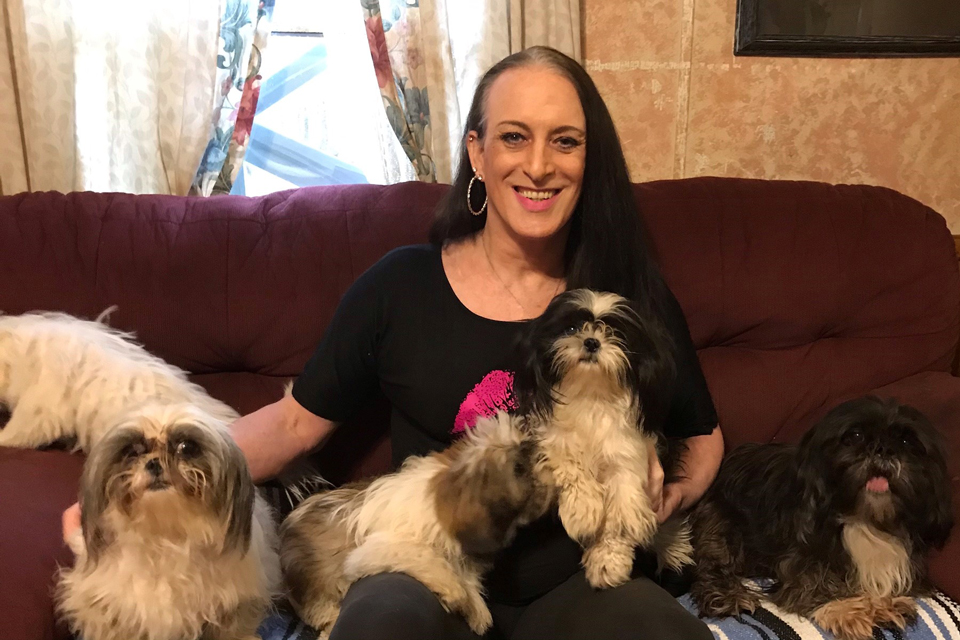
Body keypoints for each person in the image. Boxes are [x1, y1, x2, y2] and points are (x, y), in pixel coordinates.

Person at [63, 46, 723, 640]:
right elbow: (293, 423)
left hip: (578, 583)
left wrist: (660, 494)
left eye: (566, 142)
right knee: (380, 625)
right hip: (422, 569)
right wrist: (107, 493)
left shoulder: (627, 297)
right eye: (514, 137)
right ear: (478, 153)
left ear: (590, 158)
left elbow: (703, 438)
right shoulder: (399, 287)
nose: (539, 165)